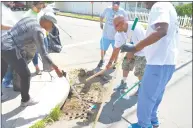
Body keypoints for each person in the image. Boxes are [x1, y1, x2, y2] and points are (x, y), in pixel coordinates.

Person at [118, 2, 179, 128]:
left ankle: (144, 125)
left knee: (146, 96)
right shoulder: (168, 6)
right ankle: (153, 120)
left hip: (158, 62)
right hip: (168, 62)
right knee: (156, 95)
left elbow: (161, 31)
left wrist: (135, 47)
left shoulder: (159, 6)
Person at [1, 12, 64, 107]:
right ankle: (25, 100)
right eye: (52, 24)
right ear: (46, 21)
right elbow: (44, 54)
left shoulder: (29, 18)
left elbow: (18, 30)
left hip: (2, 40)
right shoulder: (38, 31)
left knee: (2, 70)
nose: (52, 27)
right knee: (25, 74)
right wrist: (56, 68)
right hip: (10, 48)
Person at [106, 15, 146, 96]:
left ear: (123, 23)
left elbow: (144, 44)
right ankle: (123, 83)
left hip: (143, 51)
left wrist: (132, 52)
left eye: (116, 26)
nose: (115, 28)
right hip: (130, 49)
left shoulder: (136, 29)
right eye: (114, 26)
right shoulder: (119, 34)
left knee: (139, 72)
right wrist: (110, 62)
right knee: (125, 65)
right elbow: (116, 49)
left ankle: (142, 87)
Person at [97, 1, 128, 68]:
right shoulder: (107, 9)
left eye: (117, 7)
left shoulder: (122, 11)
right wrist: (101, 23)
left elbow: (126, 21)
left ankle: (114, 62)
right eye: (114, 6)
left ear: (119, 5)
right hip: (106, 34)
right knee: (103, 48)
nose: (115, 8)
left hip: (117, 36)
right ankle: (102, 60)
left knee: (116, 50)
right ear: (112, 4)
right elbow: (102, 16)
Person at [23, 1, 46, 75]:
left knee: (45, 51)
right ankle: (36, 68)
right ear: (34, 5)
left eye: (42, 4)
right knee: (34, 53)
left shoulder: (41, 12)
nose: (42, 5)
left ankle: (46, 66)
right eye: (40, 4)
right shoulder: (27, 15)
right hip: (33, 38)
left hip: (43, 35)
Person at [1, 2, 18, 101]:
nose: (12, 2)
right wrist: (13, 28)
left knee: (6, 66)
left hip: (6, 43)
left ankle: (6, 82)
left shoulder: (5, 8)